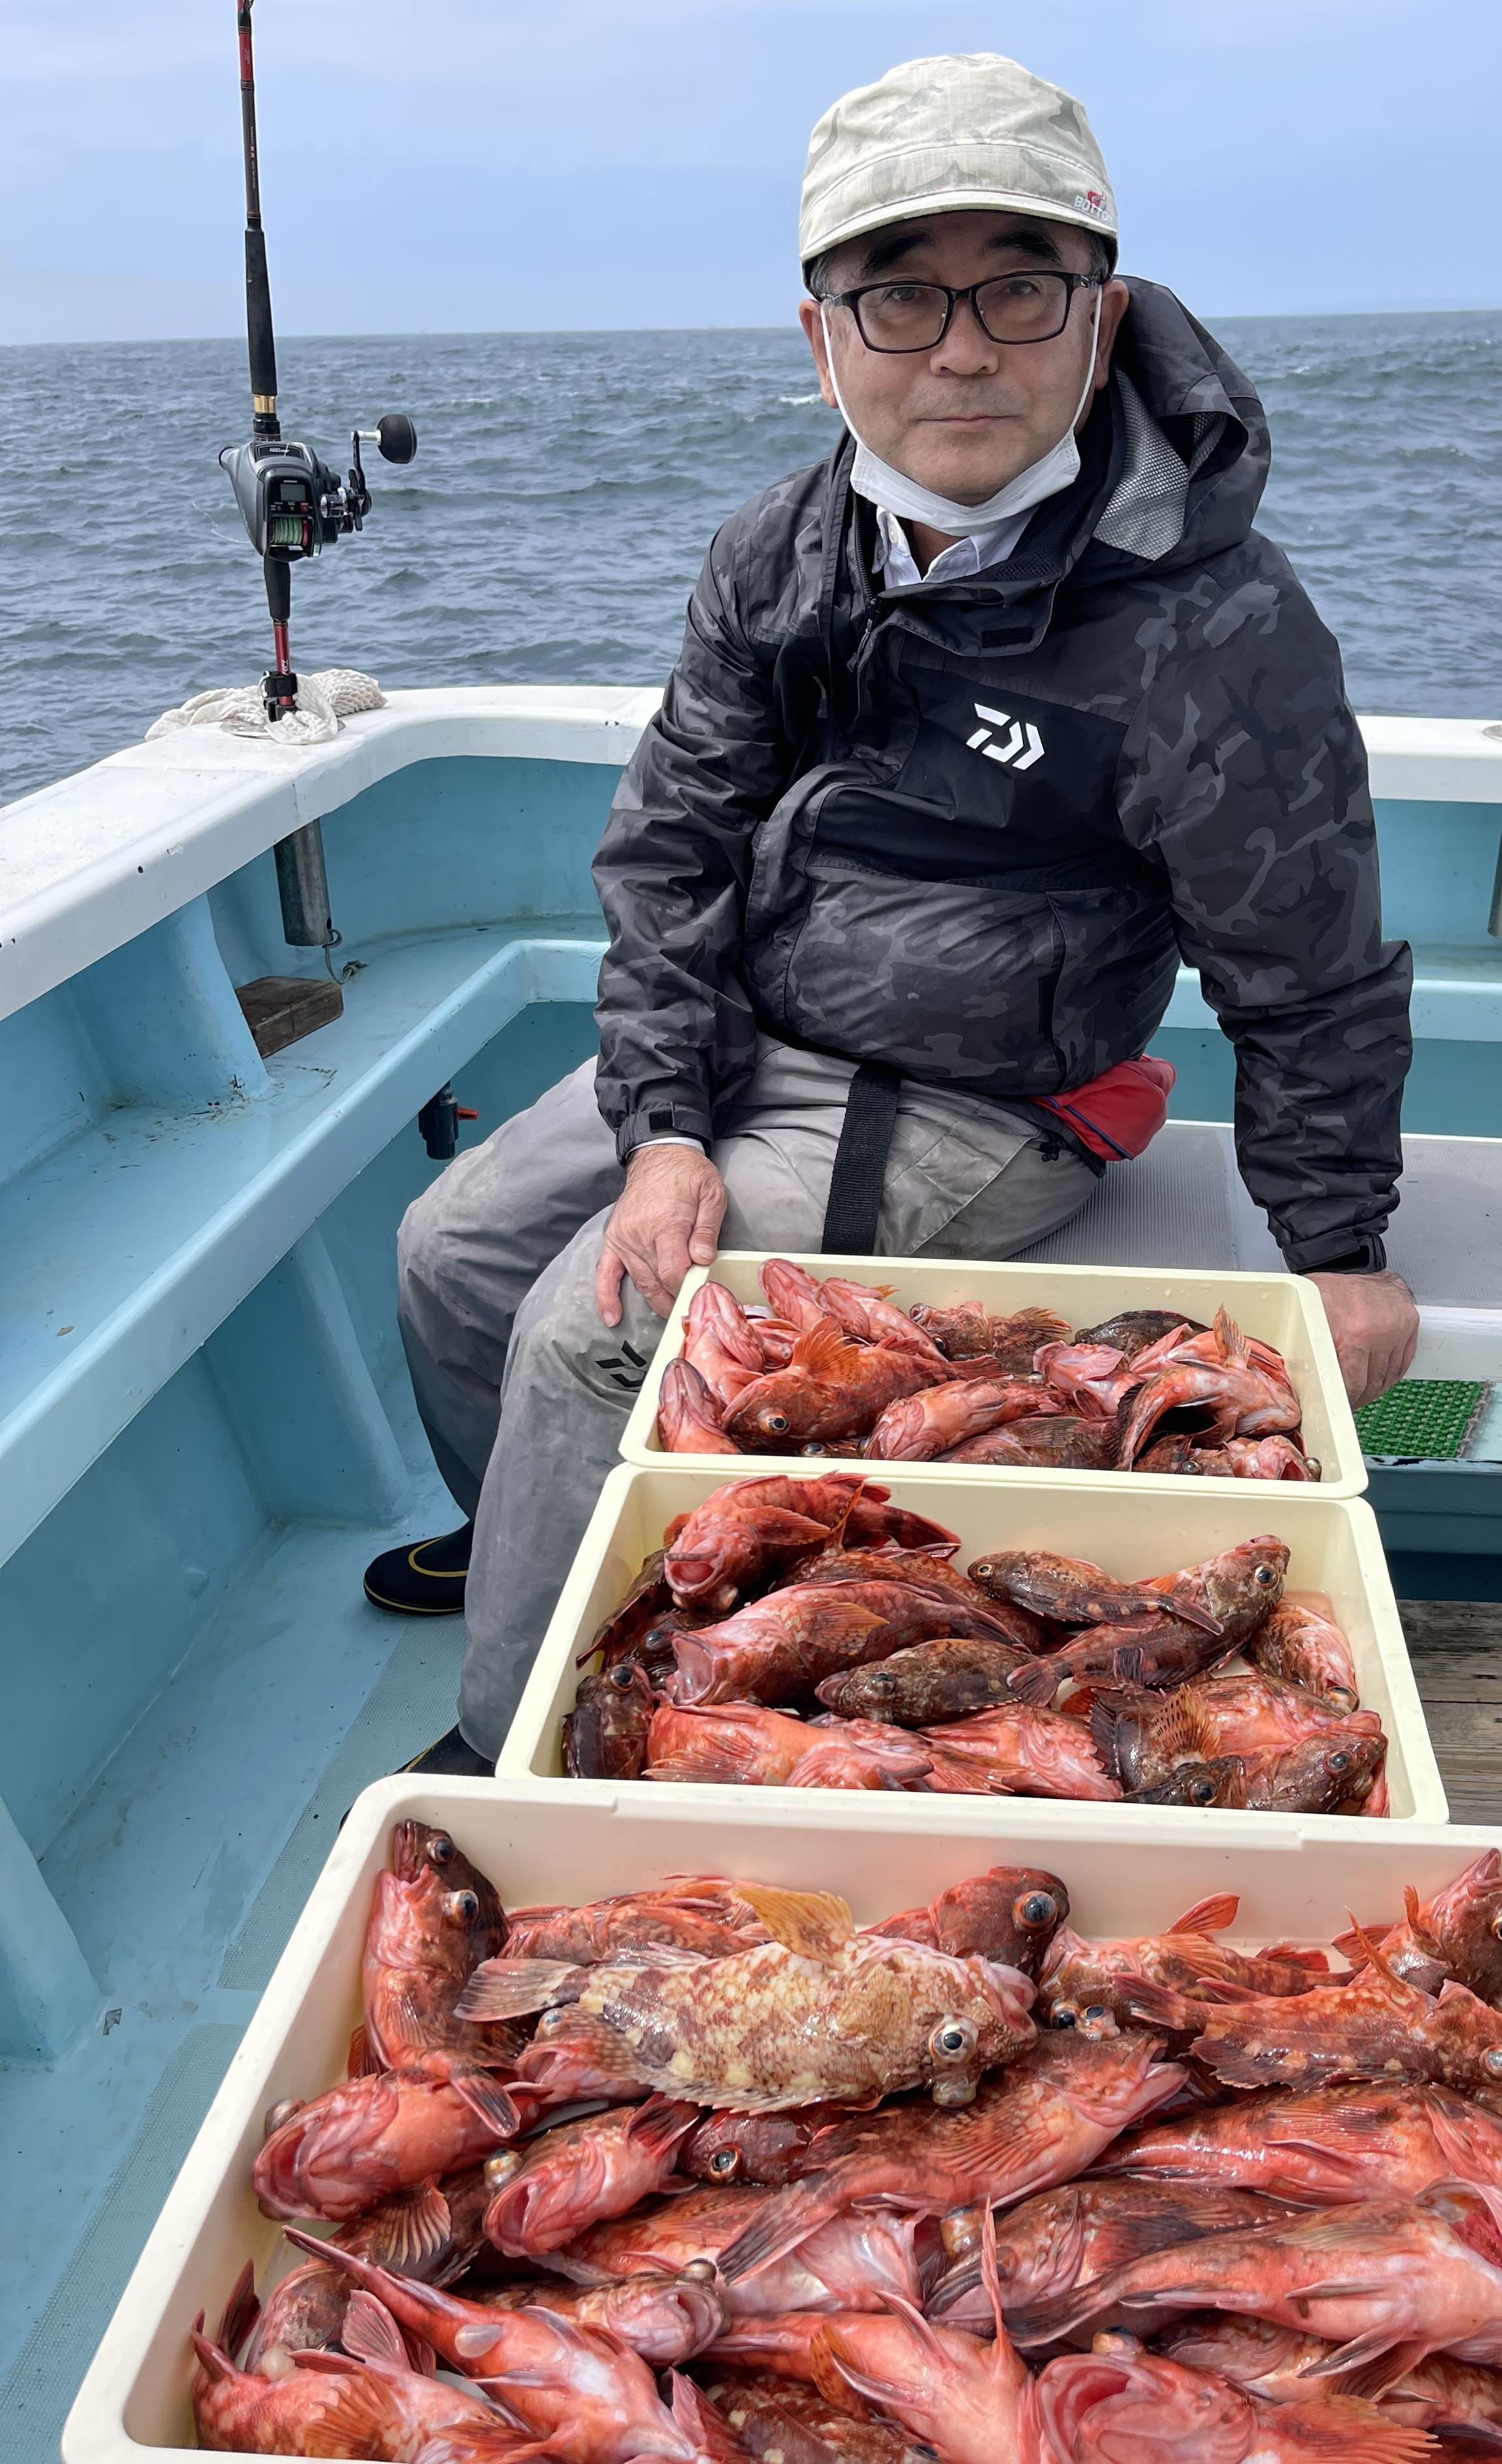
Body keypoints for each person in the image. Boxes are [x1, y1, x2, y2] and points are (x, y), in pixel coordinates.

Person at [371, 50, 1417, 1775]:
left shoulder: (1207, 624)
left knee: (591, 1335)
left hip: (976, 1096)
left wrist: (1340, 1250)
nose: (961, 347)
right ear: (821, 338)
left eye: (1020, 288)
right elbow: (670, 856)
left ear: (1102, 309)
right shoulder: (782, 551)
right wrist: (662, 1123)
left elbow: (1305, 959)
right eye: (901, 294)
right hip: (752, 1030)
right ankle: (548, 1568)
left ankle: (525, 1756)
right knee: (455, 1255)